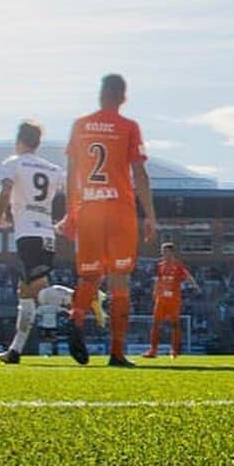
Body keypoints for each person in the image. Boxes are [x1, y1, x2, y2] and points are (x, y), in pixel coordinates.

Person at [58, 73, 156, 367]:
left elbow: (71, 172)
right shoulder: (128, 127)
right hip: (118, 209)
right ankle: (116, 352)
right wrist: (150, 215)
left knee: (89, 275)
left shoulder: (80, 126)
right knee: (119, 279)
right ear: (123, 97)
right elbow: (139, 174)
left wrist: (70, 211)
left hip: (89, 207)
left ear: (100, 94)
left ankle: (75, 319)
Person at [0, 120, 103, 363]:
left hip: (28, 235)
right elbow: (75, 190)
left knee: (38, 289)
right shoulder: (52, 169)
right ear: (38, 142)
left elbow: (6, 187)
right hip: (46, 234)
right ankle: (15, 351)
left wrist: (0, 214)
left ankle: (82, 298)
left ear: (19, 140)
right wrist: (68, 217)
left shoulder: (13, 163)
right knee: (25, 292)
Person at [142, 242, 198, 359]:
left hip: (173, 300)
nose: (164, 254)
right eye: (163, 252)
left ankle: (174, 350)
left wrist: (194, 285)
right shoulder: (160, 265)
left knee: (175, 325)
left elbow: (187, 276)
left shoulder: (178, 266)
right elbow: (158, 280)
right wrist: (155, 292)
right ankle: (153, 350)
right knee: (155, 324)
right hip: (161, 299)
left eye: (166, 252)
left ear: (172, 253)